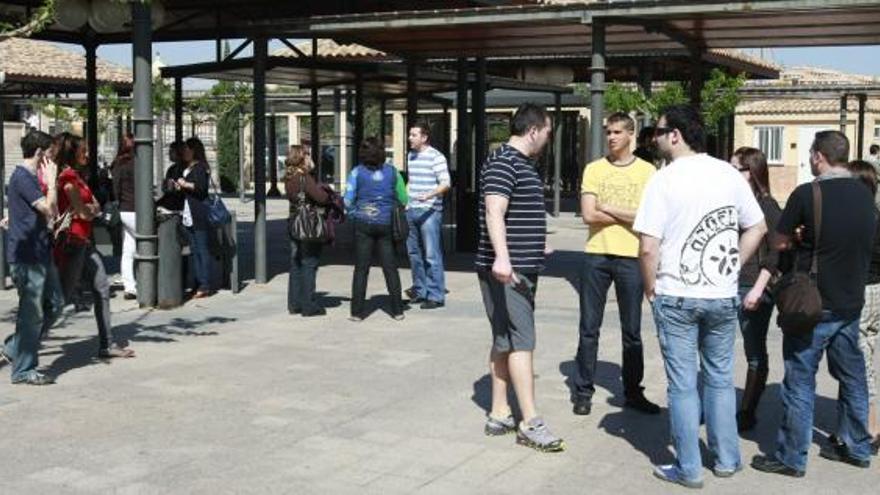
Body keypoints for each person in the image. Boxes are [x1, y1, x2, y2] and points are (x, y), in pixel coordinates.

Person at [633, 105, 767, 487]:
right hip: (721, 296)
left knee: (683, 385)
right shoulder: (728, 173)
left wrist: (649, 286)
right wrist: (732, 266)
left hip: (676, 293)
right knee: (721, 379)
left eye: (658, 132)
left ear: (675, 135)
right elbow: (757, 227)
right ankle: (727, 458)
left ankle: (689, 467)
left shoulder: (664, 180)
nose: (655, 139)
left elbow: (647, 246)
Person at [752, 131, 876, 476]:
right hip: (851, 301)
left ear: (819, 156)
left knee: (799, 379)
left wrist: (796, 237)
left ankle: (791, 457)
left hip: (814, 304)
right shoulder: (866, 195)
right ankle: (858, 447)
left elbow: (777, 241)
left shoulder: (808, 193)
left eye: (810, 155)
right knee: (852, 377)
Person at [477, 103, 564, 453]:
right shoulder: (504, 161)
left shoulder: (520, 164)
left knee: (504, 337)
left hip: (517, 264)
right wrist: (503, 258)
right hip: (509, 271)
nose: (547, 139)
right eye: (547, 132)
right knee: (522, 340)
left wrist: (534, 240)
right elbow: (494, 210)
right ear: (533, 130)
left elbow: (514, 210)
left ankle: (499, 412)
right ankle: (530, 421)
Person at [573, 112, 659, 417]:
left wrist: (607, 206)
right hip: (596, 254)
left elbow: (649, 217)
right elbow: (587, 215)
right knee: (588, 327)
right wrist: (628, 214)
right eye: (608, 132)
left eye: (617, 132)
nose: (611, 137)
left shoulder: (648, 172)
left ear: (631, 135)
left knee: (632, 330)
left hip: (632, 257)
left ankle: (633, 392)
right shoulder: (594, 169)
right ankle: (583, 390)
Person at [53, 133, 135, 359]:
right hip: (73, 243)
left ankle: (106, 344)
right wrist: (91, 210)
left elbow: (94, 207)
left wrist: (91, 209)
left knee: (102, 288)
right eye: (84, 151)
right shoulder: (67, 178)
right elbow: (83, 211)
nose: (87, 155)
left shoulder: (77, 177)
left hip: (84, 242)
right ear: (73, 153)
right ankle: (15, 346)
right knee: (58, 300)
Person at [1, 130, 65, 385]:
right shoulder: (24, 178)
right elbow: (48, 209)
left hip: (40, 252)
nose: (52, 160)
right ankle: (24, 369)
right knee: (32, 314)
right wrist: (51, 182)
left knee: (56, 304)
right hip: (27, 256)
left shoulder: (28, 178)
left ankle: (15, 347)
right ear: (40, 153)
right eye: (50, 154)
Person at [729, 147, 783, 433]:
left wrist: (759, 289)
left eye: (735, 167)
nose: (730, 173)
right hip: (730, 283)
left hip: (753, 286)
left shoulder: (768, 206)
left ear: (750, 172)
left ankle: (748, 410)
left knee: (754, 351)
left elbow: (777, 253)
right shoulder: (732, 202)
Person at [344, 137, 408, 321]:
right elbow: (404, 199)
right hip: (386, 223)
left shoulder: (356, 172)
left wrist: (355, 213)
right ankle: (397, 310)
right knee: (390, 268)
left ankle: (357, 312)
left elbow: (347, 200)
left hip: (363, 223)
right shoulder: (393, 172)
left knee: (361, 269)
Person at [844, 159, 880, 455]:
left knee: (860, 362)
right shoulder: (875, 214)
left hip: (864, 291)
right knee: (865, 354)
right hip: (877, 292)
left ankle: (870, 428)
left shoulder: (862, 219)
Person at [404, 121, 451, 309]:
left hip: (430, 211)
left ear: (424, 137)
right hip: (412, 210)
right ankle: (420, 290)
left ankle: (436, 295)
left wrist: (429, 195)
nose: (410, 138)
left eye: (414, 135)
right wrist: (406, 200)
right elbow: (411, 181)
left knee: (432, 254)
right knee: (414, 253)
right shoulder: (411, 156)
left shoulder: (436, 157)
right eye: (410, 134)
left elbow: (446, 183)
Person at [285, 145, 331, 317]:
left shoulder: (289, 177)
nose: (311, 158)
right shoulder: (303, 177)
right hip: (307, 223)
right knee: (309, 262)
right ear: (302, 157)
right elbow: (322, 198)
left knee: (295, 262)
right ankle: (308, 305)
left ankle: (294, 303)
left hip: (293, 221)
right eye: (308, 155)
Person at [177, 137, 213, 299]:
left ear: (194, 151)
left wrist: (185, 184)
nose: (184, 152)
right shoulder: (188, 167)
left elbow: (201, 189)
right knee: (194, 250)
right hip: (188, 213)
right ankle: (198, 282)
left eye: (187, 149)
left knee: (201, 249)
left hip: (197, 213)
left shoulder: (200, 168)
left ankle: (204, 284)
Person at [111, 133, 137, 300]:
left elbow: (115, 189)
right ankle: (145, 282)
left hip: (123, 209)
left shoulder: (117, 164)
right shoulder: (137, 163)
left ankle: (130, 286)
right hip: (136, 209)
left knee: (128, 249)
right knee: (148, 244)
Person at [157, 141, 187, 212]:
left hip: (179, 203)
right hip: (170, 199)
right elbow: (167, 189)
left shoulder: (185, 169)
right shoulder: (172, 168)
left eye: (171, 151)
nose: (169, 153)